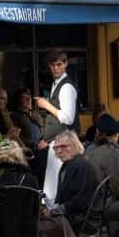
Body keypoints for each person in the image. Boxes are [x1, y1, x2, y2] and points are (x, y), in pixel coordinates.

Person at [35, 131, 91, 237]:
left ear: (74, 146)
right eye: (56, 148)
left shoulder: (80, 166)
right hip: (69, 214)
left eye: (63, 147)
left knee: (41, 230)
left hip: (79, 218)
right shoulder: (67, 166)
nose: (58, 151)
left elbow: (77, 202)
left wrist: (52, 212)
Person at [35, 49, 78, 201]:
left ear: (66, 64)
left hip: (64, 143)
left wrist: (46, 105)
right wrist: (46, 139)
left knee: (54, 185)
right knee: (52, 184)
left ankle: (54, 219)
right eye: (53, 65)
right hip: (57, 142)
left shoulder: (66, 87)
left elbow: (68, 118)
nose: (56, 68)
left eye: (59, 64)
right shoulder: (56, 84)